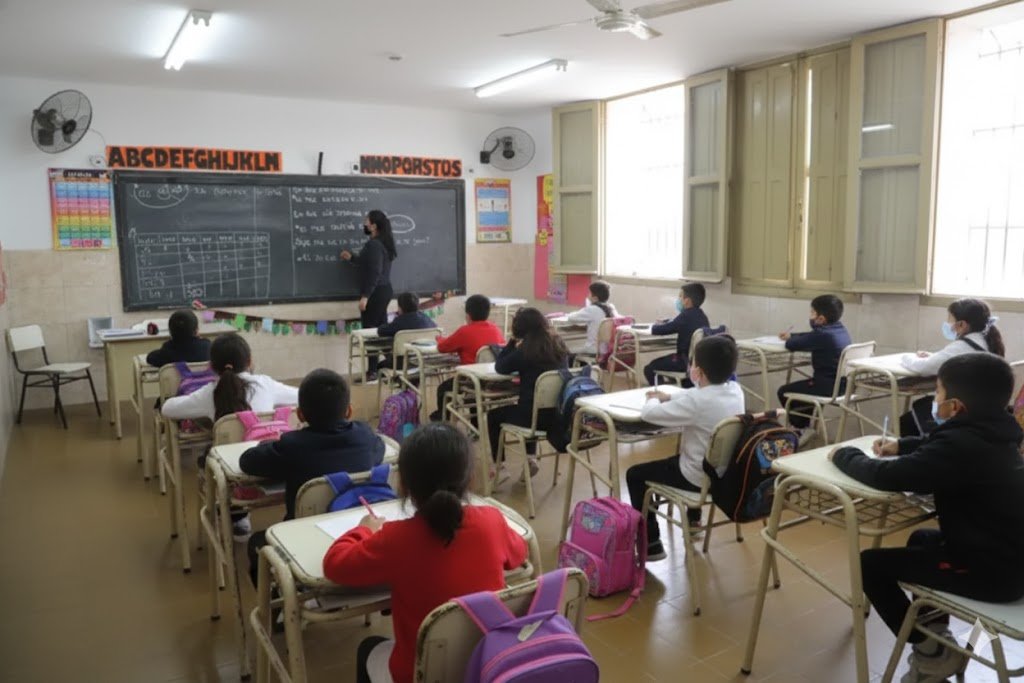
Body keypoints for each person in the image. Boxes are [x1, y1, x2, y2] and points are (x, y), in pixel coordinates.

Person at [829, 354, 1024, 683]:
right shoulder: (1001, 431)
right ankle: (936, 637)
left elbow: (887, 478)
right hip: (1005, 555)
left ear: (956, 406)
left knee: (871, 564)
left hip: (991, 573)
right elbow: (943, 446)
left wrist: (845, 455)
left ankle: (930, 652)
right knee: (922, 539)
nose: (935, 400)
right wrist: (902, 444)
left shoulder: (960, 444)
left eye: (937, 393)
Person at [322, 424, 528, 683]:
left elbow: (335, 565)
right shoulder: (491, 521)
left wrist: (364, 530)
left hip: (420, 674)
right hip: (486, 667)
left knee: (368, 647)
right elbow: (519, 555)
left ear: (404, 485)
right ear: (470, 478)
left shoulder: (394, 538)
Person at [240, 368, 384, 586]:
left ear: (299, 414)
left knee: (256, 543)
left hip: (302, 539)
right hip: (360, 534)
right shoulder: (365, 436)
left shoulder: (292, 446)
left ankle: (279, 607)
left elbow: (247, 461)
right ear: (349, 411)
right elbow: (380, 449)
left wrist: (271, 444)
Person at [161, 332, 299, 540]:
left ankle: (237, 518)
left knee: (212, 452)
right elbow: (301, 395)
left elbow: (168, 409)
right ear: (250, 361)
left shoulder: (210, 392)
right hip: (274, 466)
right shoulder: (265, 384)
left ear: (211, 365)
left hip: (232, 475)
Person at [626, 335, 745, 561]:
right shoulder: (735, 390)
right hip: (724, 475)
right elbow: (698, 395)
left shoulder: (697, 402)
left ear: (697, 372)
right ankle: (694, 520)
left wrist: (652, 397)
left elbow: (649, 414)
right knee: (689, 455)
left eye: (692, 364)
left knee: (635, 474)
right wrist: (670, 395)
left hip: (696, 478)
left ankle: (651, 543)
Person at [898, 298, 1004, 437]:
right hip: (983, 407)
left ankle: (923, 449)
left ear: (962, 325)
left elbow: (922, 368)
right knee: (919, 407)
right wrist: (932, 356)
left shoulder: (962, 346)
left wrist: (905, 357)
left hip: (965, 409)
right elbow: (950, 357)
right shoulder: (986, 340)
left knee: (909, 419)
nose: (948, 324)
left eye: (950, 319)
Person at [487, 308, 569, 474]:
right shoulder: (558, 344)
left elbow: (500, 367)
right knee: (529, 406)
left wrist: (511, 342)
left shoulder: (525, 350)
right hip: (558, 416)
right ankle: (530, 458)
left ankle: (499, 466)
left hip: (533, 418)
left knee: (493, 416)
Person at [777, 294, 851, 445]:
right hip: (844, 386)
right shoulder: (840, 330)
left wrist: (790, 339)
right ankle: (804, 427)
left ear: (821, 319)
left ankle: (802, 428)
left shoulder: (824, 335)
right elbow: (811, 336)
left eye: (812, 313)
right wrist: (792, 335)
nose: (810, 316)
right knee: (803, 391)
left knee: (784, 391)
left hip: (827, 387)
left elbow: (792, 345)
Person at [429, 295, 505, 422]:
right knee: (473, 392)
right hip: (492, 379)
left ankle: (443, 421)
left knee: (443, 388)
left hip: (469, 380)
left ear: (468, 315)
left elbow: (442, 348)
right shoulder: (496, 330)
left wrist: (439, 339)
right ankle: (475, 425)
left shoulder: (464, 331)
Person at [341, 210, 397, 380]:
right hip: (383, 290)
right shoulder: (381, 243)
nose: (364, 224)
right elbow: (369, 264)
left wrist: (365, 296)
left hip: (375, 292)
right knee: (381, 331)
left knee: (370, 332)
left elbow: (374, 271)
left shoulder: (374, 245)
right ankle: (391, 366)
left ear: (373, 226)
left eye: (366, 221)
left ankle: (373, 371)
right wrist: (352, 258)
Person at [643, 283, 710, 387]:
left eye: (680, 296)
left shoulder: (685, 315)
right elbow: (676, 323)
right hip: (696, 363)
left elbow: (662, 330)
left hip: (682, 362)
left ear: (687, 300)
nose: (678, 299)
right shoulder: (702, 316)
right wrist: (668, 321)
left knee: (649, 368)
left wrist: (654, 326)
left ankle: (662, 394)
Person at [374, 292, 437, 373]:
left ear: (400, 307)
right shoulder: (426, 318)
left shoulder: (400, 321)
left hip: (402, 363)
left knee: (380, 366)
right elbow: (435, 327)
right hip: (425, 360)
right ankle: (410, 382)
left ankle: (401, 382)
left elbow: (381, 331)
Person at [566, 281, 618, 356]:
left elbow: (571, 318)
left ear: (595, 298)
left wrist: (571, 313)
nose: (588, 296)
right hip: (608, 349)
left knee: (567, 351)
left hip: (594, 349)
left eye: (589, 293)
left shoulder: (592, 309)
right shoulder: (611, 308)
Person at [145, 309, 211, 367]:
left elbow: (150, 358)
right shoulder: (207, 347)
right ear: (196, 330)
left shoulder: (168, 350)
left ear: (170, 332)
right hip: (207, 381)